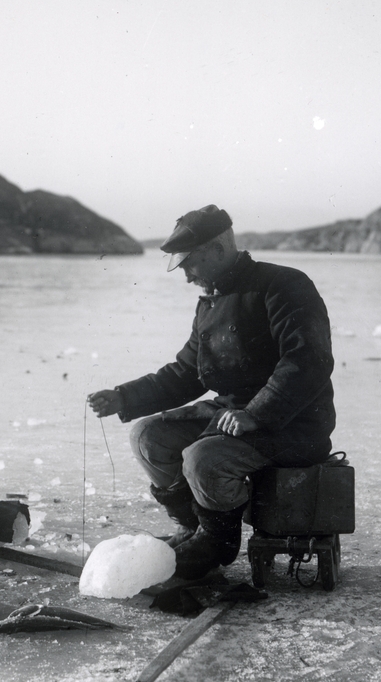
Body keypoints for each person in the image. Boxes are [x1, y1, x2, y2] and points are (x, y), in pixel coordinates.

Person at [88, 203, 336, 595]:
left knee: (203, 458)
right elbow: (187, 372)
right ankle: (195, 529)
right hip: (233, 414)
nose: (185, 275)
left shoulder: (284, 285)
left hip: (296, 423)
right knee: (148, 438)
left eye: (189, 263)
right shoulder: (212, 301)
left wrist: (257, 413)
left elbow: (308, 361)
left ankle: (216, 545)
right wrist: (124, 397)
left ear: (218, 249)